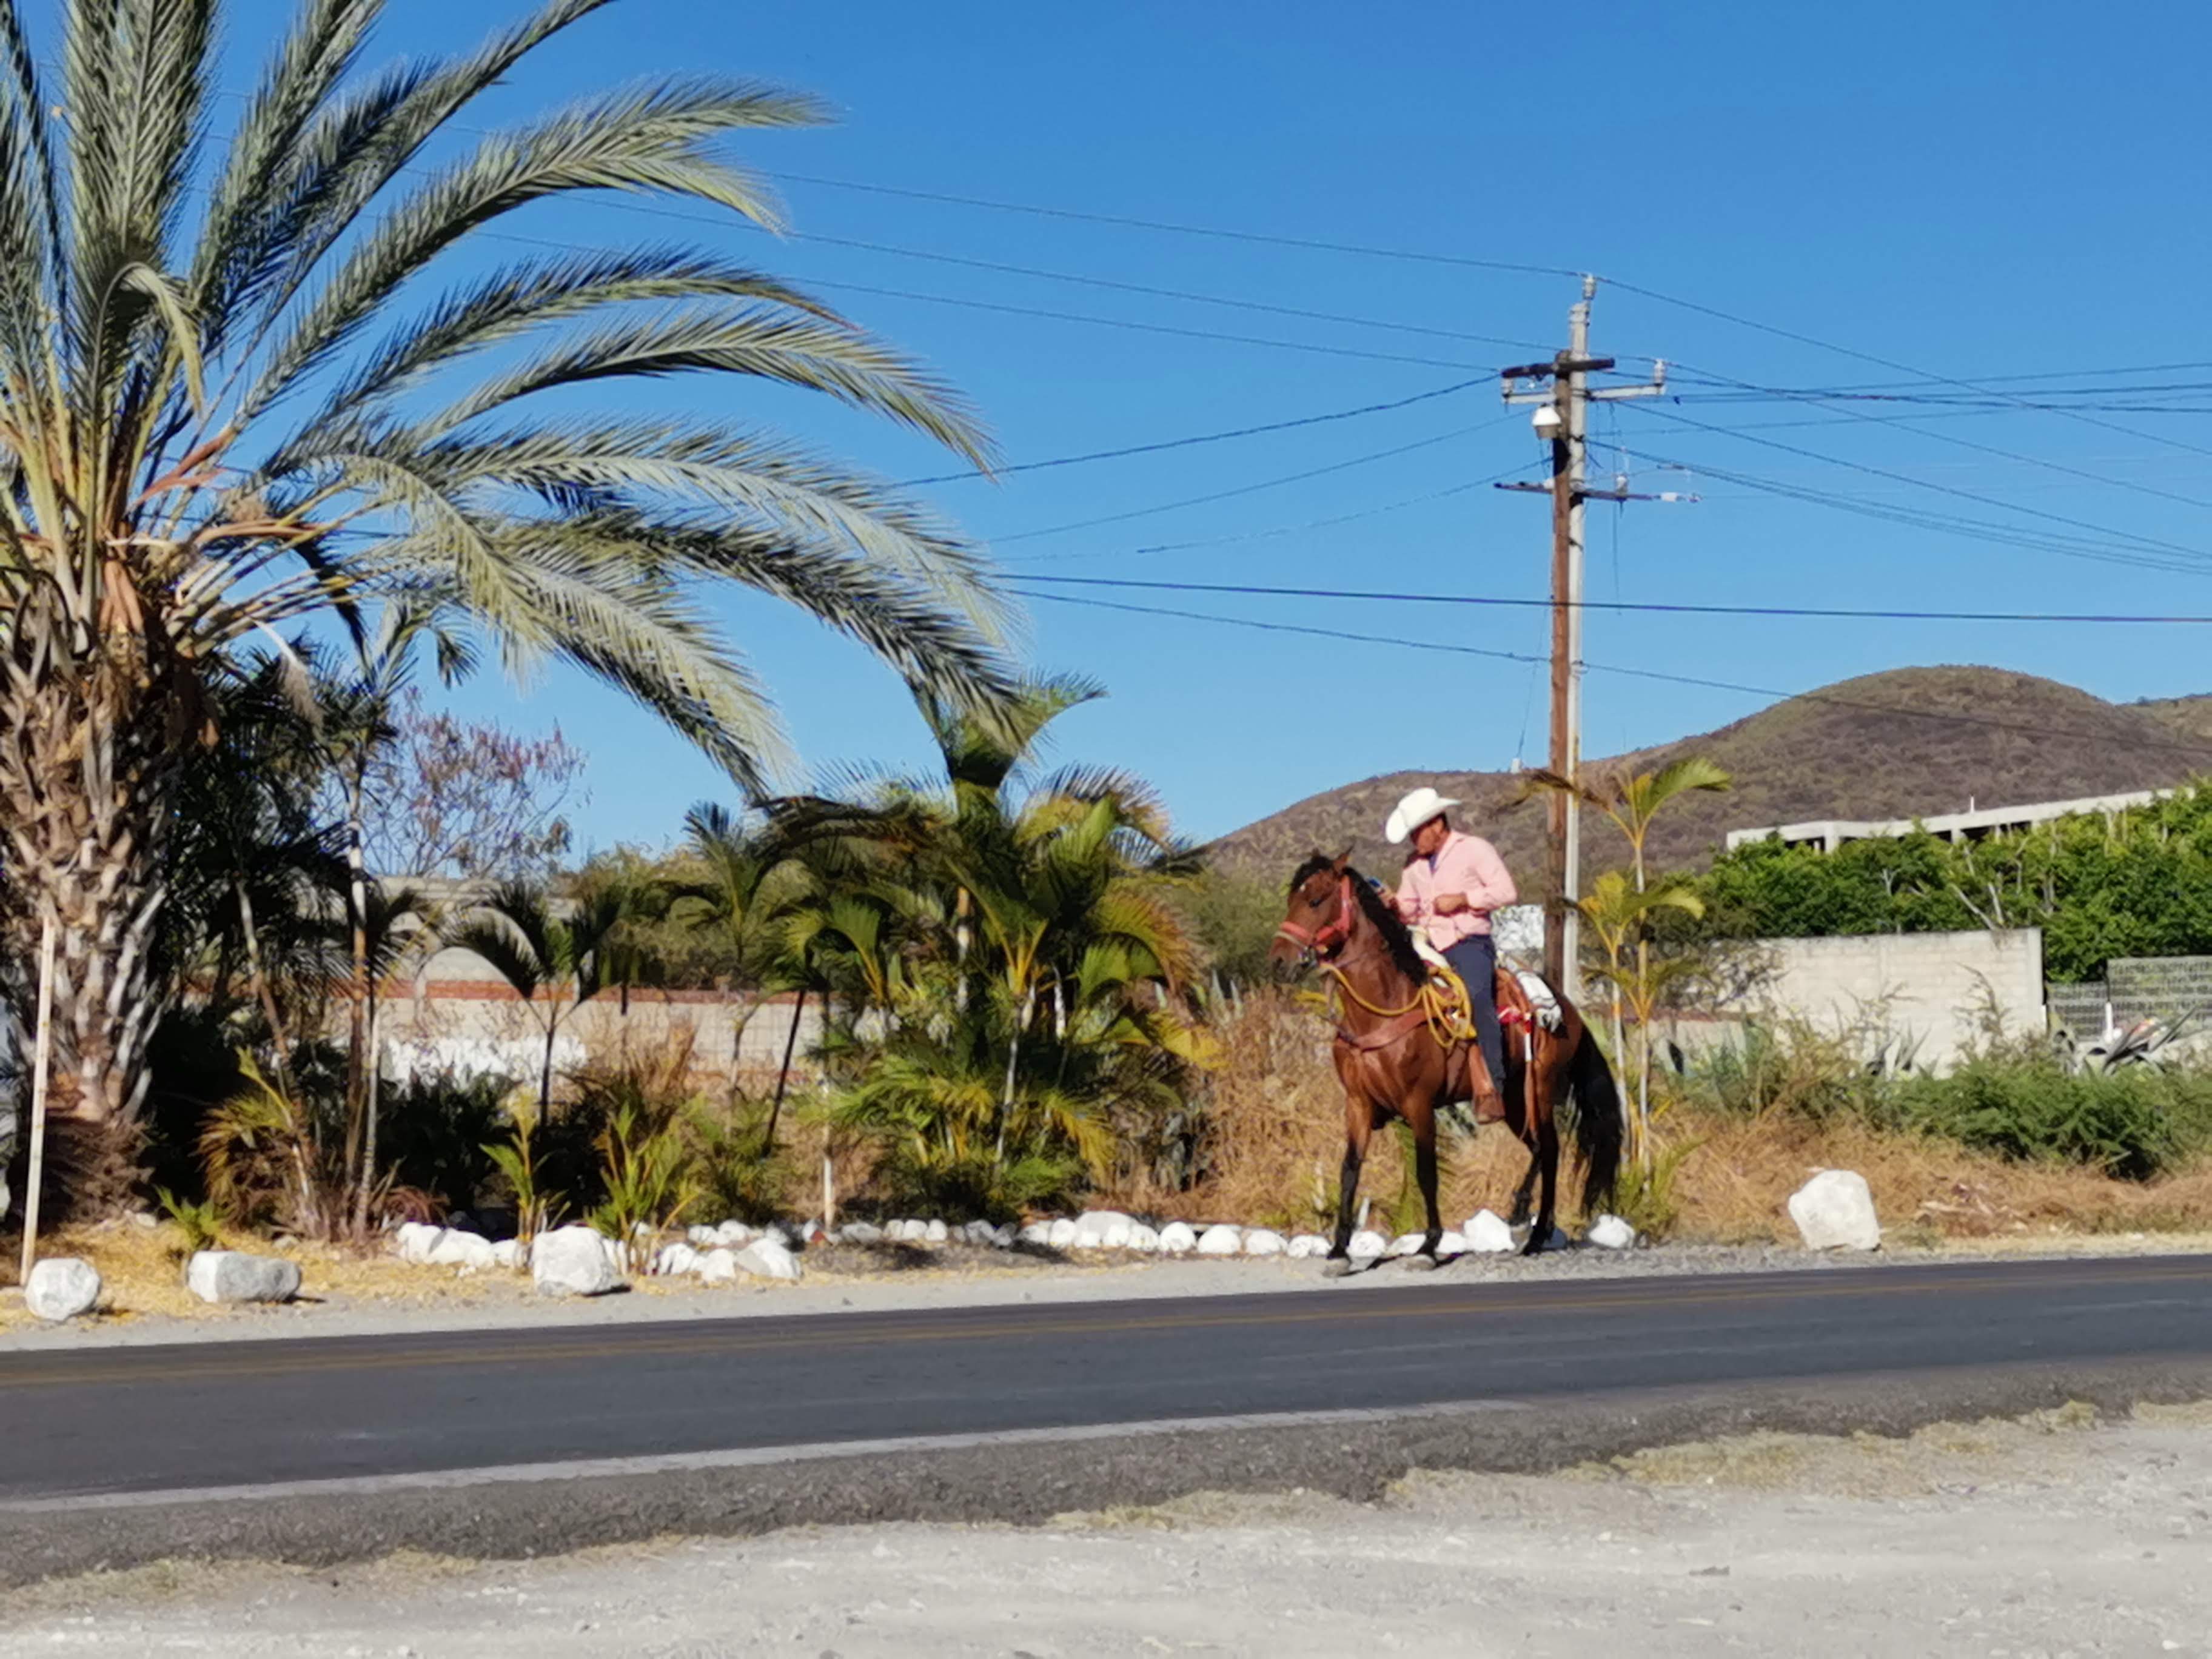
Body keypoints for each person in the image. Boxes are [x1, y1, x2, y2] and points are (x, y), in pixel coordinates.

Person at [1381, 786, 1516, 1109]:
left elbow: (1506, 891)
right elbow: (1411, 909)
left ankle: (1496, 1086)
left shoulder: (1474, 850)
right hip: (1426, 943)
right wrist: (1395, 906)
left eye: (1417, 833)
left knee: (1477, 995)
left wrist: (1464, 899)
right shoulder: (1413, 866)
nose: (1415, 840)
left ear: (1437, 825)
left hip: (1468, 942)